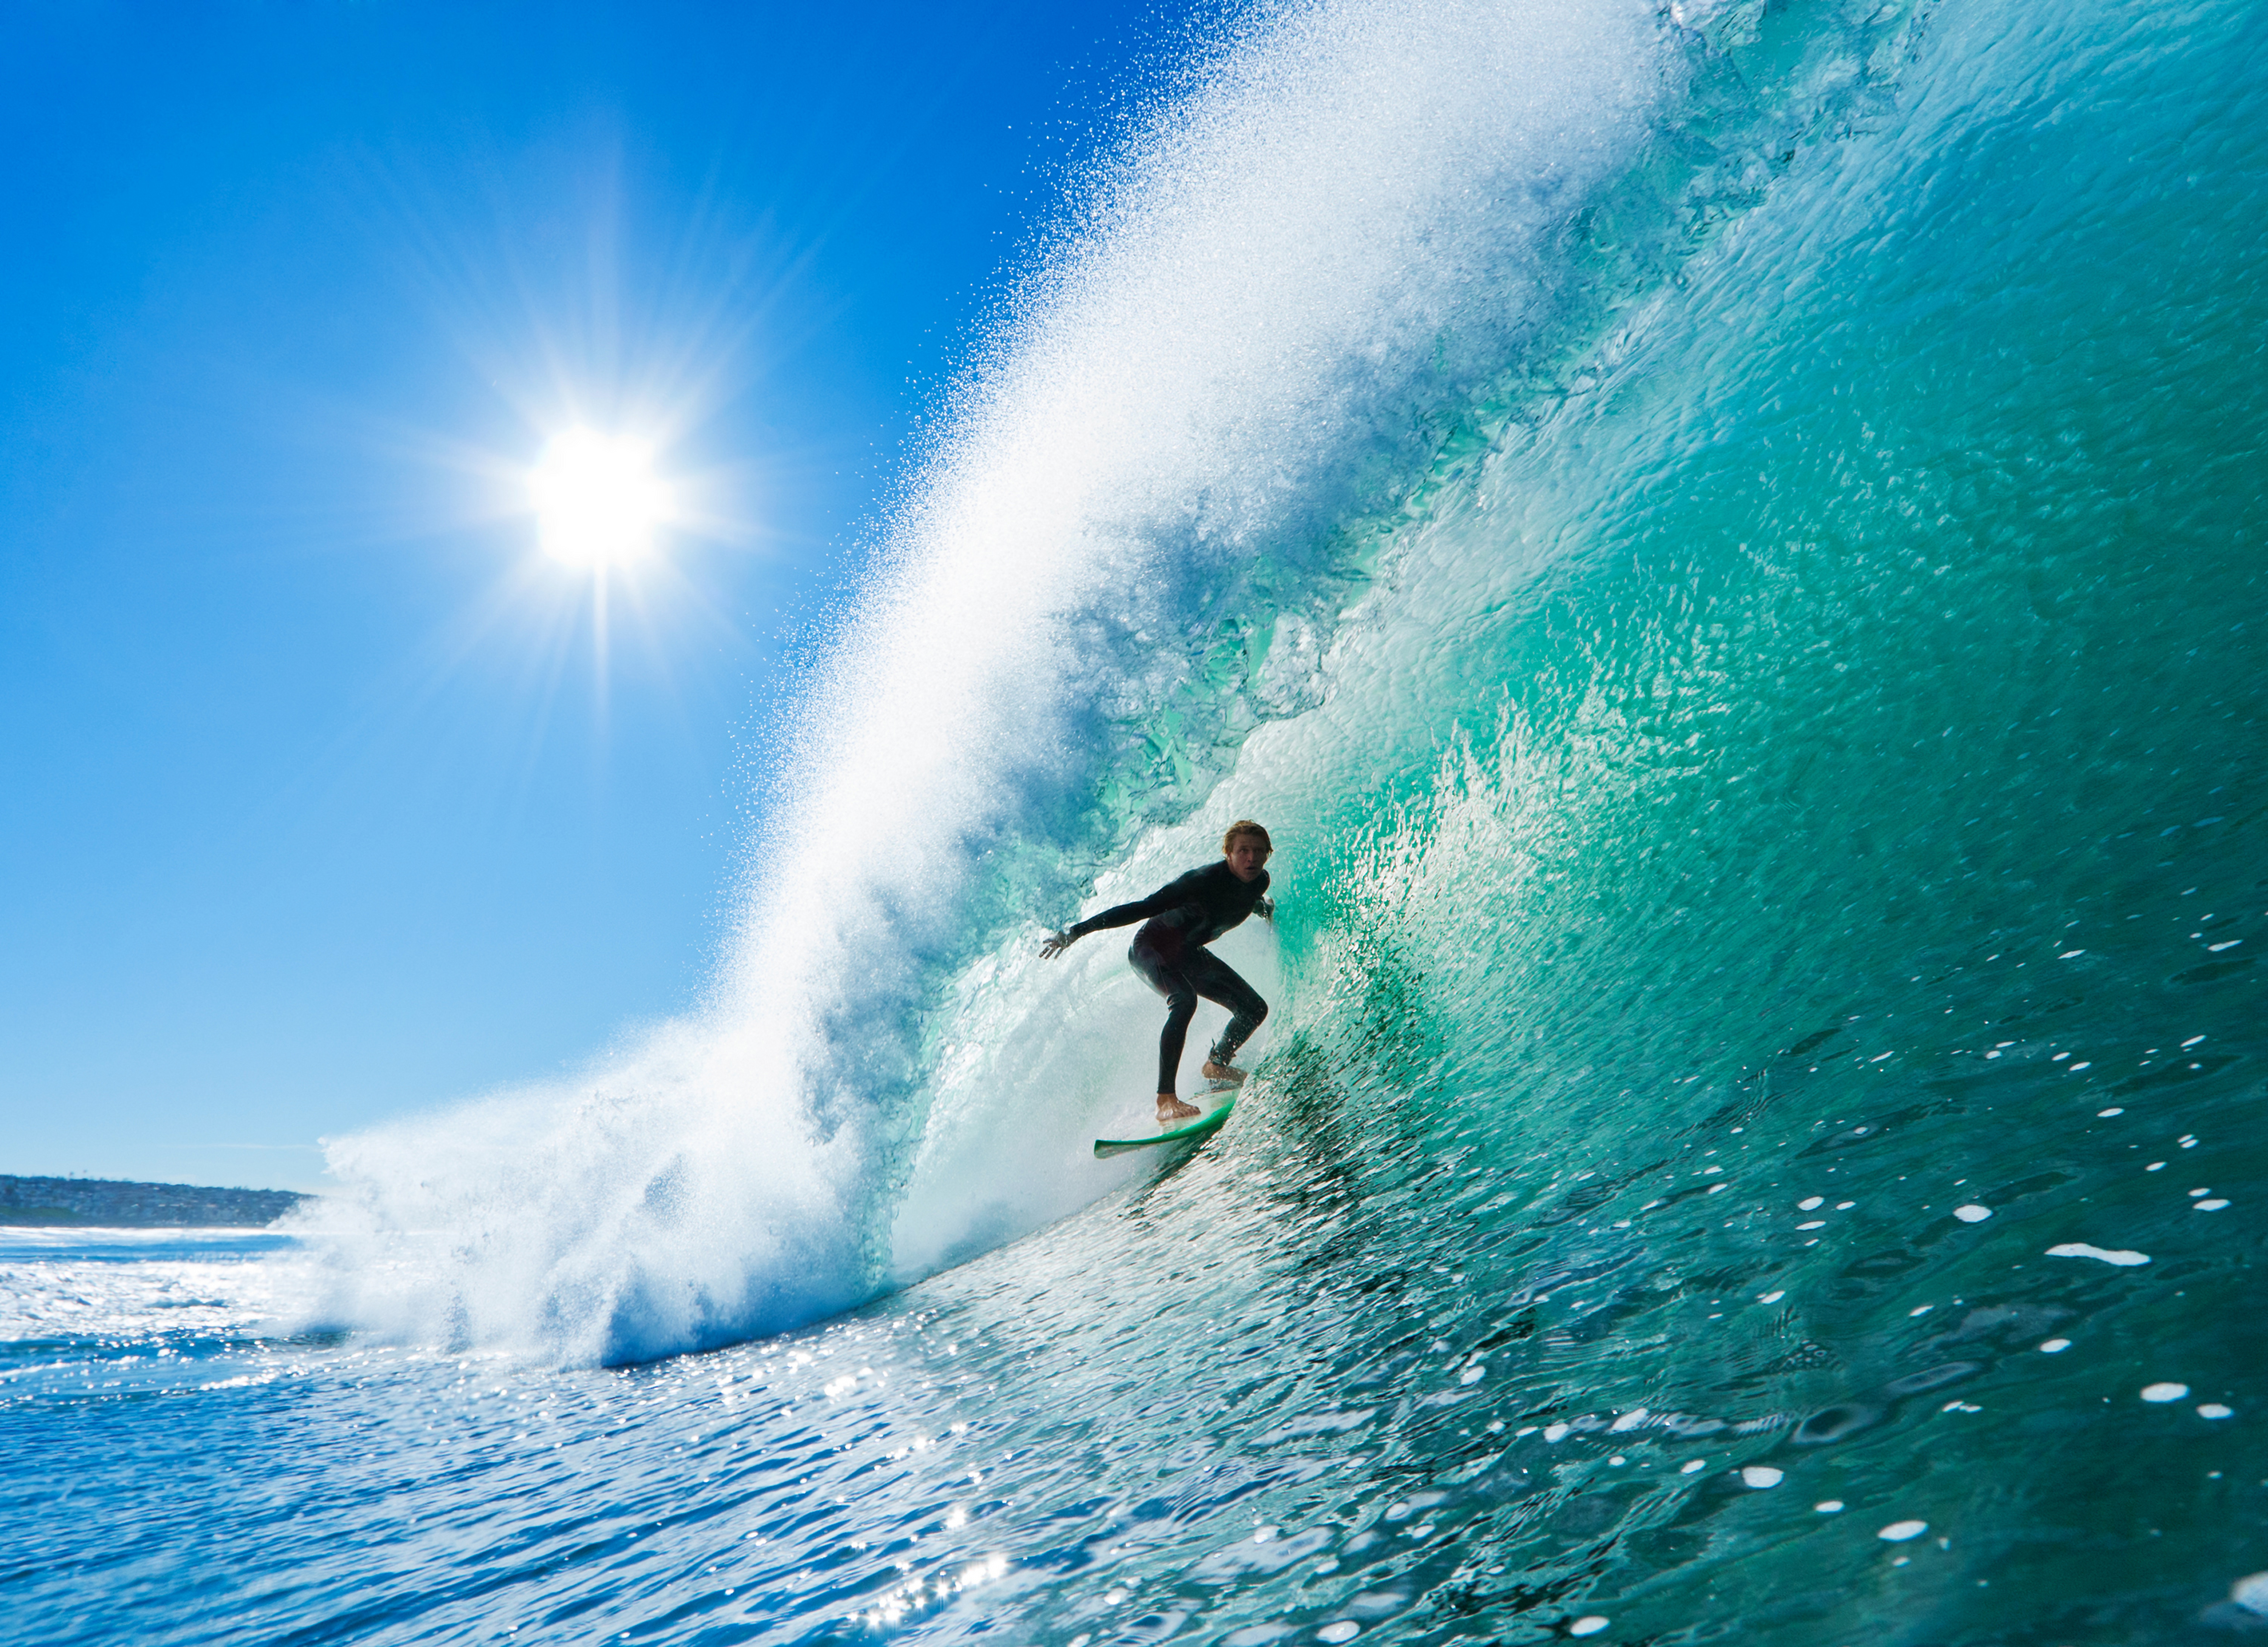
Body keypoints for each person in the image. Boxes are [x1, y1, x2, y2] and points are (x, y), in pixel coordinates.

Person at [1041, 820, 1277, 1124]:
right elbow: (1143, 907)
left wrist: (1265, 912)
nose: (1252, 859)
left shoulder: (1259, 882)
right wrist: (1076, 932)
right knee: (1184, 1000)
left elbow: (1242, 900)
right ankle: (1165, 1099)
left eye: (1260, 852)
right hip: (1151, 948)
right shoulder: (1200, 881)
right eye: (1243, 851)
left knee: (1253, 1008)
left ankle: (1216, 1066)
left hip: (1189, 952)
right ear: (1228, 853)